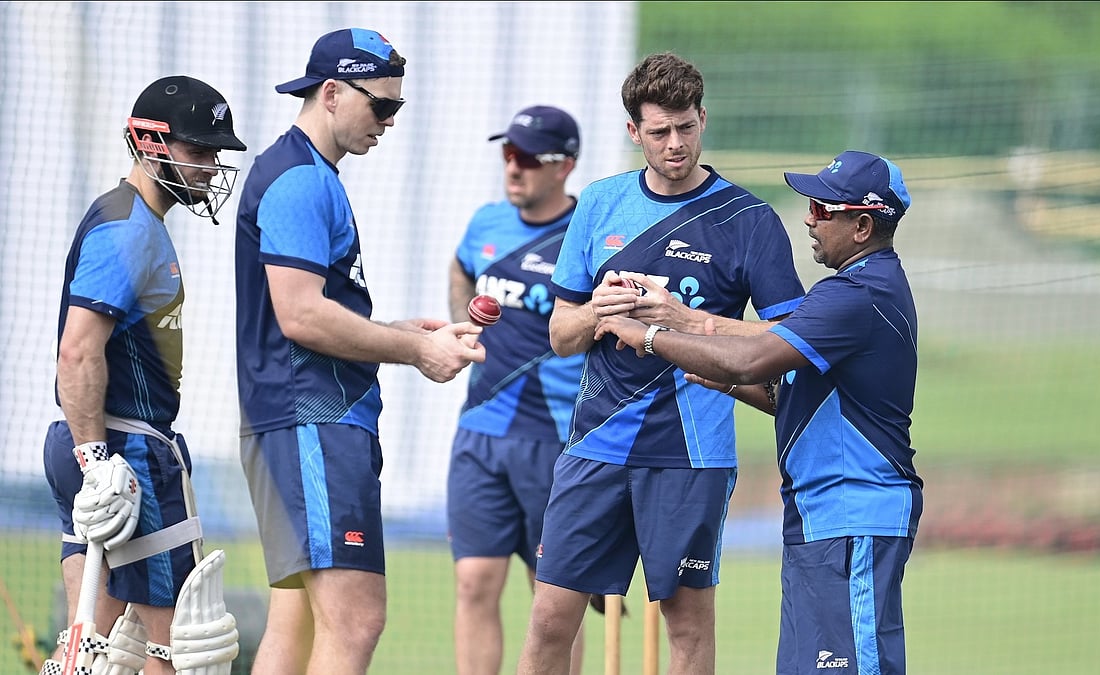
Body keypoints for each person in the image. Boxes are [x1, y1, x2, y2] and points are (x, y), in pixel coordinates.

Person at [516, 52, 807, 675]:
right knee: (548, 622)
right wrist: (598, 310)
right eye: (659, 132)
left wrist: (680, 319)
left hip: (690, 453)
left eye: (686, 128)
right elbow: (561, 335)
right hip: (595, 444)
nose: (675, 145)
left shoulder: (750, 220)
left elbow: (791, 343)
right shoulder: (599, 204)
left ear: (703, 118)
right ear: (633, 132)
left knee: (688, 630)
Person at [595, 150, 924, 675]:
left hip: (853, 513)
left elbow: (753, 357)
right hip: (821, 516)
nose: (809, 219)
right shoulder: (850, 290)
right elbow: (789, 394)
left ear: (862, 225)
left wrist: (655, 335)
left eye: (822, 207)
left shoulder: (860, 293)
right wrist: (716, 375)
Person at [233, 27, 485, 675]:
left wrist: (413, 333)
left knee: (298, 624)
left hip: (302, 419)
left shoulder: (305, 173)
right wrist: (413, 349)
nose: (390, 122)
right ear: (334, 92)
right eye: (383, 106)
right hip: (311, 421)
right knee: (356, 618)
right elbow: (301, 314)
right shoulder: (298, 181)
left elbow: (319, 309)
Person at [42, 75, 247, 675]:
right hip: (124, 450)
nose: (212, 166)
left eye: (216, 152)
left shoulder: (128, 218)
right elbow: (78, 352)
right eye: (199, 150)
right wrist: (97, 459)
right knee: (182, 648)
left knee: (92, 647)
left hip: (91, 443)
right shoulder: (129, 226)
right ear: (152, 143)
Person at [447, 105, 596, 675]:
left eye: (530, 158)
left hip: (556, 439)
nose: (515, 168)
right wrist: (460, 325)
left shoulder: (586, 236)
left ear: (566, 166)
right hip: (478, 430)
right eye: (508, 153)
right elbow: (460, 268)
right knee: (473, 582)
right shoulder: (486, 222)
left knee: (554, 597)